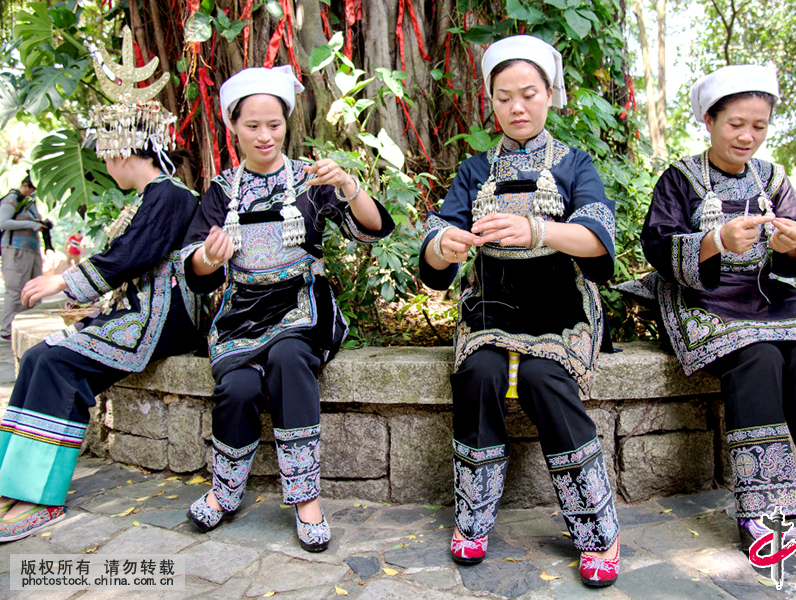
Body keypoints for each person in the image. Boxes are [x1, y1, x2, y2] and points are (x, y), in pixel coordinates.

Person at [638, 64, 796, 555]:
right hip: (705, 303)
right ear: (709, 120)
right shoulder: (680, 179)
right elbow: (657, 244)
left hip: (764, 300)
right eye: (736, 123)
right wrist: (714, 240)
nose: (747, 136)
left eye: (759, 126)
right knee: (757, 359)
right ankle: (764, 514)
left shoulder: (773, 177)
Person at [418, 36, 620, 587]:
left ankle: (596, 526)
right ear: (491, 101)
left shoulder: (575, 164)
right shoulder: (475, 170)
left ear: (550, 95)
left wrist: (539, 229)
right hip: (492, 305)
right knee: (479, 375)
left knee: (541, 376)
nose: (517, 107)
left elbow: (601, 239)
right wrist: (446, 246)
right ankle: (475, 514)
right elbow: (436, 242)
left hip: (561, 306)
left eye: (529, 93)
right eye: (504, 96)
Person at [0, 27, 202, 542]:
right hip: (134, 317)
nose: (104, 163)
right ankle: (16, 481)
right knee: (46, 354)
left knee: (54, 361)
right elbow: (127, 261)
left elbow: (130, 258)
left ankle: (40, 494)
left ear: (121, 149)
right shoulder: (153, 197)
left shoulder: (170, 195)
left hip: (159, 322)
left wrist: (59, 282)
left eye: (106, 151)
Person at [181, 65, 394, 553]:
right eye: (252, 126)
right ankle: (225, 491)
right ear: (233, 126)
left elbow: (373, 229)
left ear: (287, 124)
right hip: (241, 312)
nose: (264, 135)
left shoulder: (310, 178)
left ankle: (305, 499)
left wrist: (349, 186)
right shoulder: (220, 191)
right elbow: (195, 272)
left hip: (301, 302)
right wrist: (208, 256)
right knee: (236, 386)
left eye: (273, 125)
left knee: (288, 358)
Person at [0, 173, 44, 340]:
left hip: (30, 248)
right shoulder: (12, 198)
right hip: (15, 249)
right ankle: (7, 331)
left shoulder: (29, 202)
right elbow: (3, 222)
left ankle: (28, 327)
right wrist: (32, 224)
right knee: (16, 290)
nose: (32, 192)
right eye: (32, 189)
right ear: (25, 186)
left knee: (33, 289)